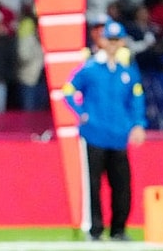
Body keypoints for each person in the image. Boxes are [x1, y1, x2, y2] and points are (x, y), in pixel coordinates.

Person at [62, 21, 147, 241]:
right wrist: (81, 113)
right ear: (103, 41)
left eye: (117, 40)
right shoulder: (90, 68)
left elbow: (136, 99)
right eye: (110, 40)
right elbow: (68, 90)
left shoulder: (126, 71)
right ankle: (95, 230)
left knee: (122, 186)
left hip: (119, 136)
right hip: (94, 135)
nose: (113, 44)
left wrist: (138, 124)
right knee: (93, 185)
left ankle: (119, 229)